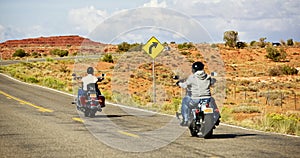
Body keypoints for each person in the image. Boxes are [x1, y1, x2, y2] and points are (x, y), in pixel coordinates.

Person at [176, 61, 215, 126]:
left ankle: (185, 120)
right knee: (213, 104)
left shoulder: (192, 77)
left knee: (185, 101)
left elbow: (185, 85)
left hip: (196, 99)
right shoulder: (207, 77)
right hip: (207, 98)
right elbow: (212, 82)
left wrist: (179, 83)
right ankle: (216, 117)